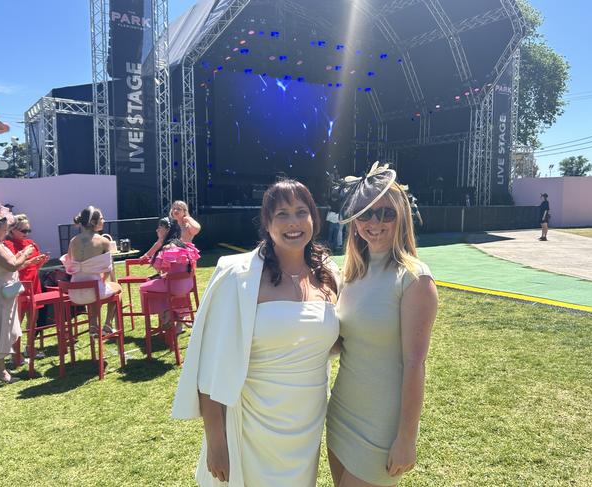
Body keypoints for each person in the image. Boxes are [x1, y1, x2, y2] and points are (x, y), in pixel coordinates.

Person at [172, 179, 339, 487]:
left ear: (314, 218)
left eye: (301, 212)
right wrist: (217, 444)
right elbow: (211, 368)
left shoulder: (329, 276)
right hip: (251, 425)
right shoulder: (238, 277)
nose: (293, 223)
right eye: (282, 214)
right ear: (266, 222)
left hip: (307, 425)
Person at [326, 162, 438, 487]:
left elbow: (415, 364)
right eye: (365, 213)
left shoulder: (415, 278)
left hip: (380, 426)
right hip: (341, 412)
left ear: (401, 216)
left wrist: (407, 437)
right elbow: (343, 342)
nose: (374, 223)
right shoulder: (350, 273)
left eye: (386, 213)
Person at [0, 206, 45, 383]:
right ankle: (1, 372)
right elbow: (11, 265)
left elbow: (13, 264)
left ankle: (0, 367)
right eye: (4, 230)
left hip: (3, 292)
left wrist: (28, 260)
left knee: (3, 330)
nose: (6, 234)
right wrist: (25, 253)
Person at [60, 206, 122, 336]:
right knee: (117, 288)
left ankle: (93, 325)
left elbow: (70, 262)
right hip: (93, 291)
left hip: (74, 292)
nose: (104, 220)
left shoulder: (73, 241)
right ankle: (108, 324)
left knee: (94, 288)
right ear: (93, 222)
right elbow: (107, 268)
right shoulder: (104, 241)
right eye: (101, 218)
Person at [139, 217, 200, 330]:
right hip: (188, 285)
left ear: (167, 230)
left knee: (143, 287)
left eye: (160, 228)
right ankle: (171, 314)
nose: (157, 230)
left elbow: (159, 268)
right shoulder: (183, 245)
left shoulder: (167, 247)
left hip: (174, 286)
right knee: (160, 286)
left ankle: (167, 314)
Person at [3, 214, 50, 359]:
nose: (26, 234)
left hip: (33, 285)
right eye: (23, 230)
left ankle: (30, 348)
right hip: (19, 287)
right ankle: (15, 353)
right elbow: (11, 268)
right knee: (17, 322)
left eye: (28, 230)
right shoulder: (7, 246)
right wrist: (30, 262)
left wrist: (40, 262)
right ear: (12, 230)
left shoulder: (31, 244)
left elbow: (35, 269)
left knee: (33, 320)